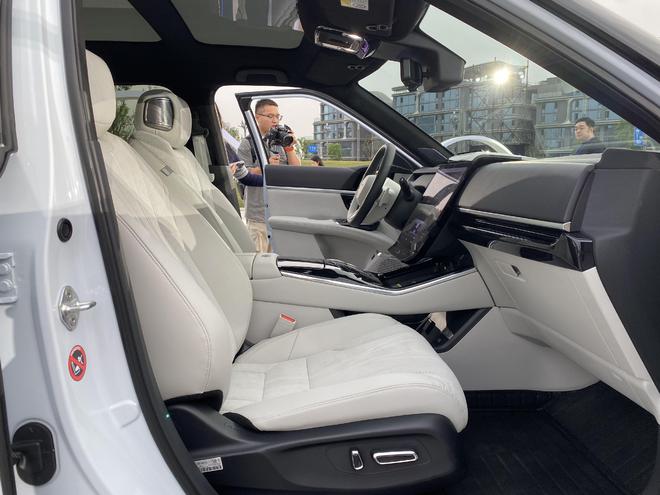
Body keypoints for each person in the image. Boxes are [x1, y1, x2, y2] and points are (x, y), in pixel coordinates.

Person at [235, 99, 300, 252]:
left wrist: (290, 148)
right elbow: (243, 173)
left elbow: (296, 170)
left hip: (281, 214)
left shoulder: (282, 141)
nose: (275, 120)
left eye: (278, 116)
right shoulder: (247, 143)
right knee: (259, 259)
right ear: (257, 117)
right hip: (258, 215)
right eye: (270, 116)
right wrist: (266, 167)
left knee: (280, 260)